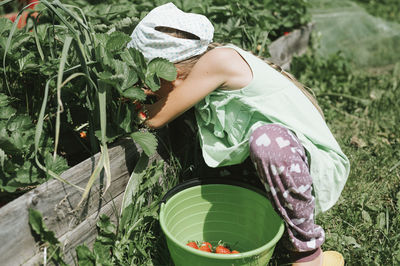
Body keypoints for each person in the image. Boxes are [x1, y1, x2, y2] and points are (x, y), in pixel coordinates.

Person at [128, 3, 350, 265]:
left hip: (306, 162)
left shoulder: (218, 61)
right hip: (276, 164)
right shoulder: (207, 64)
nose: (144, 88)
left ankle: (308, 253)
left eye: (147, 80)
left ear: (173, 74)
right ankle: (263, 224)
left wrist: (124, 102)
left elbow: (154, 119)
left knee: (268, 142)